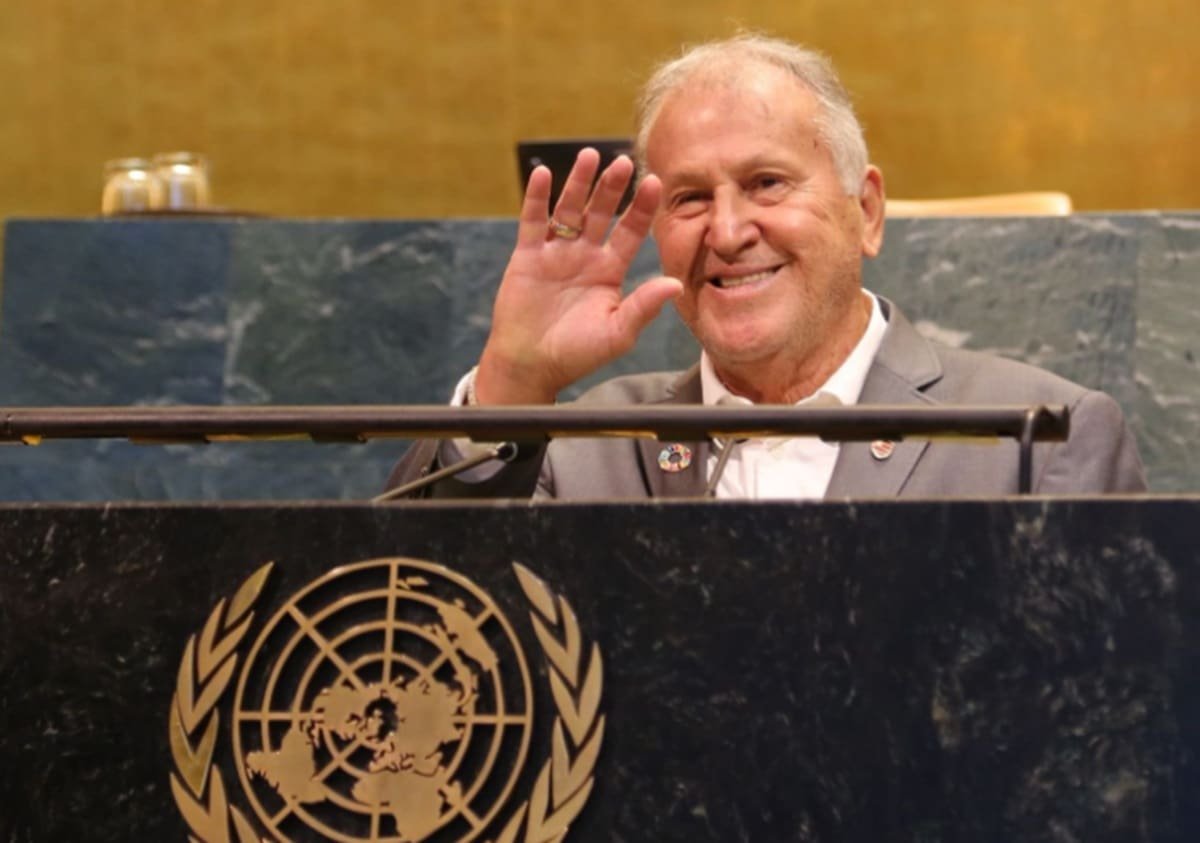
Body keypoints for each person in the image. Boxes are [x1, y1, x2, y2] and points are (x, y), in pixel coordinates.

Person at [388, 34, 1145, 499]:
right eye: (689, 198)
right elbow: (413, 624)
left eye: (766, 183)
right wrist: (514, 380)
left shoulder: (1041, 437)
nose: (726, 232)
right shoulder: (590, 445)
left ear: (866, 212)